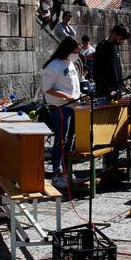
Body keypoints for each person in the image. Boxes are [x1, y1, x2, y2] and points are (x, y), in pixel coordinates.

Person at [42, 36, 83, 189]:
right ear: (67, 50)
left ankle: (66, 170)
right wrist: (66, 96)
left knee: (70, 139)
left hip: (73, 106)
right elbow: (47, 88)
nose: (77, 54)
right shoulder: (53, 66)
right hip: (60, 107)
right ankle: (56, 172)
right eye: (75, 51)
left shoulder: (71, 63)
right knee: (61, 140)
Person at [93, 24, 130, 98]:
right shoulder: (102, 47)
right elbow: (97, 72)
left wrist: (123, 86)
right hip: (106, 93)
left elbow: (117, 70)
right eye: (121, 38)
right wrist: (108, 90)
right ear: (114, 34)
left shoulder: (116, 46)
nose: (122, 42)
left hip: (116, 91)